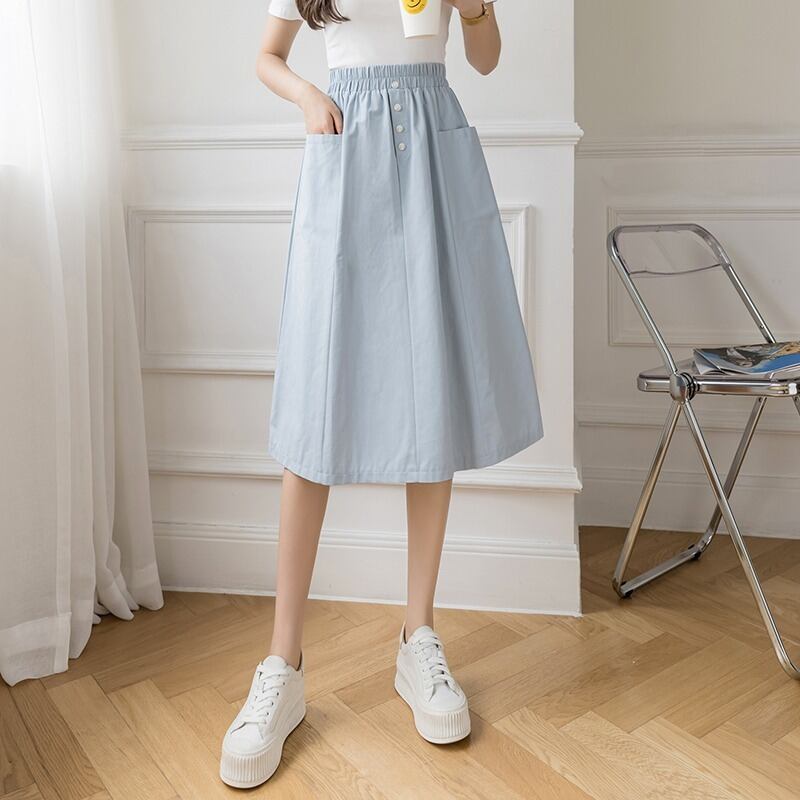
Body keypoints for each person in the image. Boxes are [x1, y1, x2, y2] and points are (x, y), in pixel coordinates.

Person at [220, 0, 544, 788]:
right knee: (316, 415)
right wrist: (307, 96)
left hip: (434, 156)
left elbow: (487, 57)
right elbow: (266, 56)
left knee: (432, 396)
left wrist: (476, 9)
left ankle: (417, 638)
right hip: (346, 150)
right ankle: (282, 663)